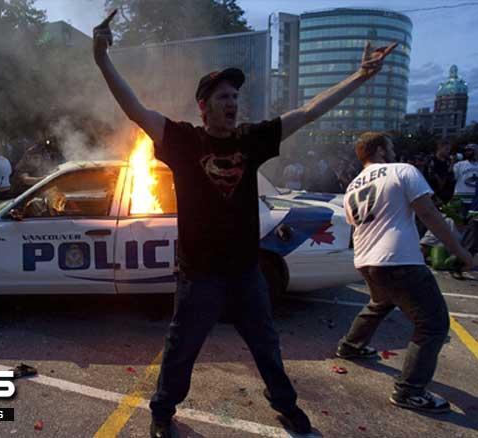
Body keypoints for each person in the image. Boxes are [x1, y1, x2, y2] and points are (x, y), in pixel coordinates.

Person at [93, 9, 398, 437]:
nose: (232, 103)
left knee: (267, 349)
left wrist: (360, 77)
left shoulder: (252, 140)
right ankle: (162, 412)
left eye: (235, 96)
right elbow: (135, 110)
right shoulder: (183, 140)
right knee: (181, 351)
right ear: (204, 106)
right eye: (223, 97)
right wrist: (102, 59)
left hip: (245, 273)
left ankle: (288, 410)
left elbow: (308, 111)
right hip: (199, 278)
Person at [336, 132, 476, 413]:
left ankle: (350, 346)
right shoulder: (402, 170)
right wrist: (462, 253)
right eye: (390, 146)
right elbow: (427, 214)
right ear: (379, 150)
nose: (393, 150)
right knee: (433, 324)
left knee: (381, 301)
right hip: (399, 259)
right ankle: (410, 391)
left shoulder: (352, 185)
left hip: (366, 260)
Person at [424, 140, 455, 204]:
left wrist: (452, 165)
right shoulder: (431, 160)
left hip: (446, 194)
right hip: (433, 193)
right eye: (446, 149)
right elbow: (429, 178)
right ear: (439, 148)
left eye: (449, 149)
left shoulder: (449, 161)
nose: (448, 151)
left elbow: (451, 177)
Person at [452, 144, 478, 208]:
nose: (467, 152)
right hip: (460, 199)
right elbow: (452, 178)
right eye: (466, 151)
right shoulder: (459, 165)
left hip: (475, 201)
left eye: (469, 150)